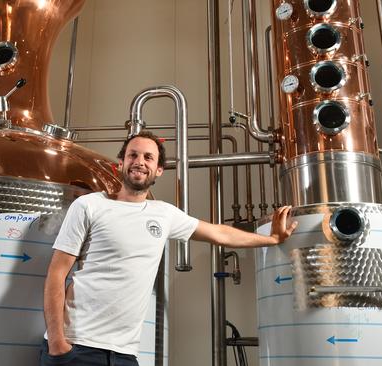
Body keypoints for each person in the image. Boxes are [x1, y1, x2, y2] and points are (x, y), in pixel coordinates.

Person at [40, 131, 297, 366]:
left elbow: (218, 232)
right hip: (78, 346)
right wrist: (57, 342)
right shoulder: (89, 205)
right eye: (133, 155)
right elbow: (57, 273)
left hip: (125, 354)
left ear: (159, 169)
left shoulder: (163, 214)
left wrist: (270, 239)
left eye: (148, 157)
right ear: (121, 163)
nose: (140, 161)